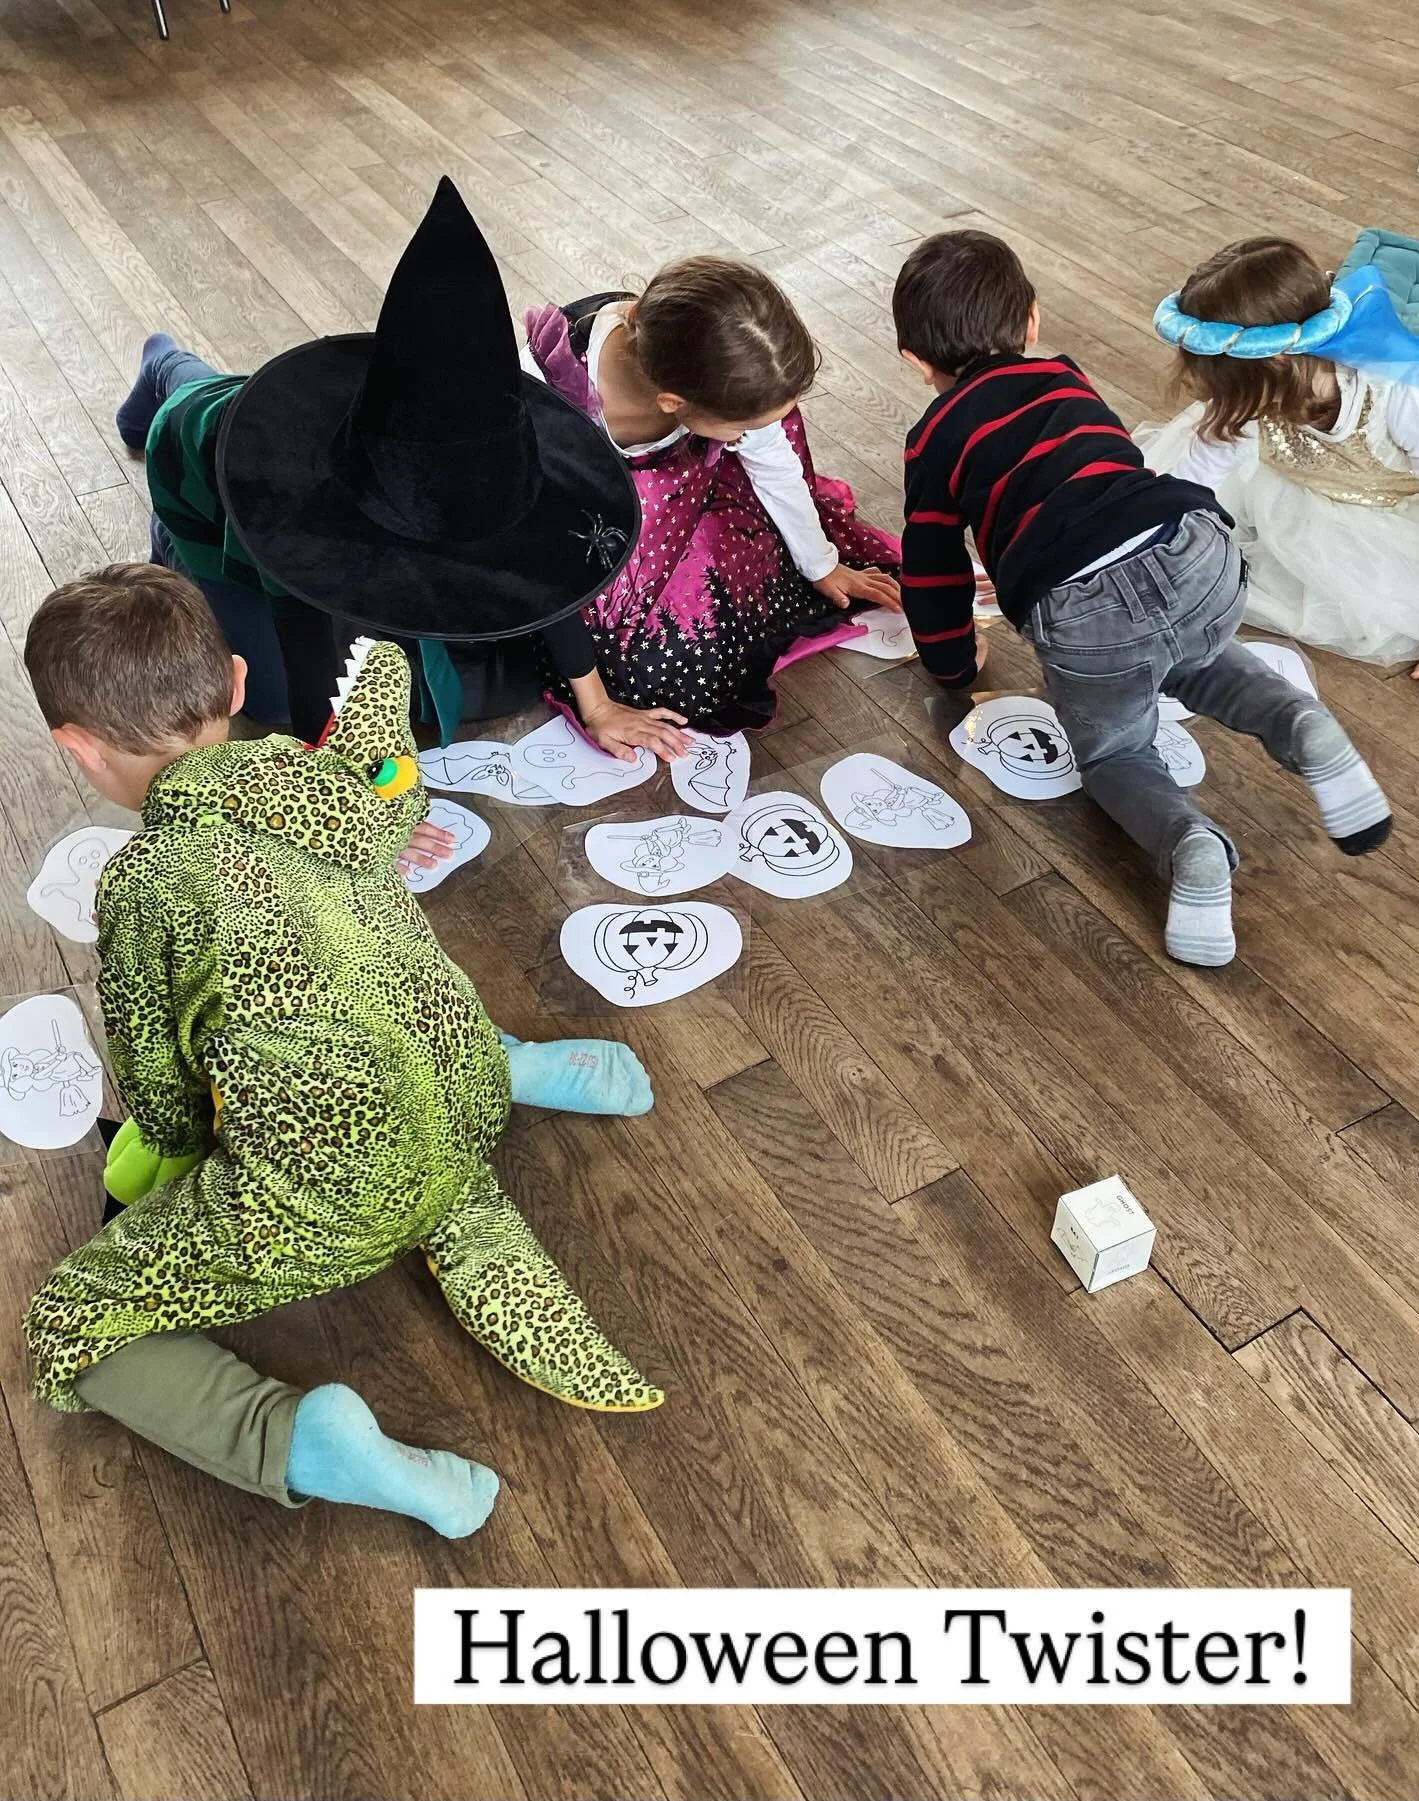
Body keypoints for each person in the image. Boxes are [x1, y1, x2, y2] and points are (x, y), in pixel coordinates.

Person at [21, 565, 663, 1539]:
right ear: (237, 684)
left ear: (74, 747)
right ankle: (515, 1069)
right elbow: (391, 783)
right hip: (460, 1093)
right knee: (372, 978)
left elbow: (163, 1093)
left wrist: (177, 1157)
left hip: (341, 1203)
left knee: (66, 1321)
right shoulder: (325, 776)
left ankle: (294, 1437)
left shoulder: (147, 881)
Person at [891, 229, 1392, 968]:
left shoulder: (931, 438)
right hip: (1195, 548)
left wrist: (953, 664)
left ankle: (1189, 846)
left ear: (914, 361)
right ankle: (1303, 727)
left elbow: (930, 567)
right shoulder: (1065, 376)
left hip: (1086, 614)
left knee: (1118, 749)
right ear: (1031, 321)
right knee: (1195, 652)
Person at [112, 177, 642, 752]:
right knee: (266, 697)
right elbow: (306, 646)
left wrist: (596, 703)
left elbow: (547, 572)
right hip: (206, 476)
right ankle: (167, 372)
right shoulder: (286, 506)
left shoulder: (505, 456)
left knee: (497, 678)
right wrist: (349, 794)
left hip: (367, 468)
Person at [520, 258, 903, 750]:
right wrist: (596, 705)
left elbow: (773, 462)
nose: (752, 434)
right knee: (651, 671)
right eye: (741, 429)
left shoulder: (704, 363)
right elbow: (541, 560)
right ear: (672, 403)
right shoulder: (550, 409)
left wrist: (821, 563)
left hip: (677, 495)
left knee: (759, 554)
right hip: (581, 533)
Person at [1138, 238, 1419, 707]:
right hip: (1284, 486)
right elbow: (1187, 485)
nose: (1211, 394)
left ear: (1275, 361)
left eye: (1221, 382)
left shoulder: (1401, 394)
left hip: (1387, 512)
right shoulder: (1252, 398)